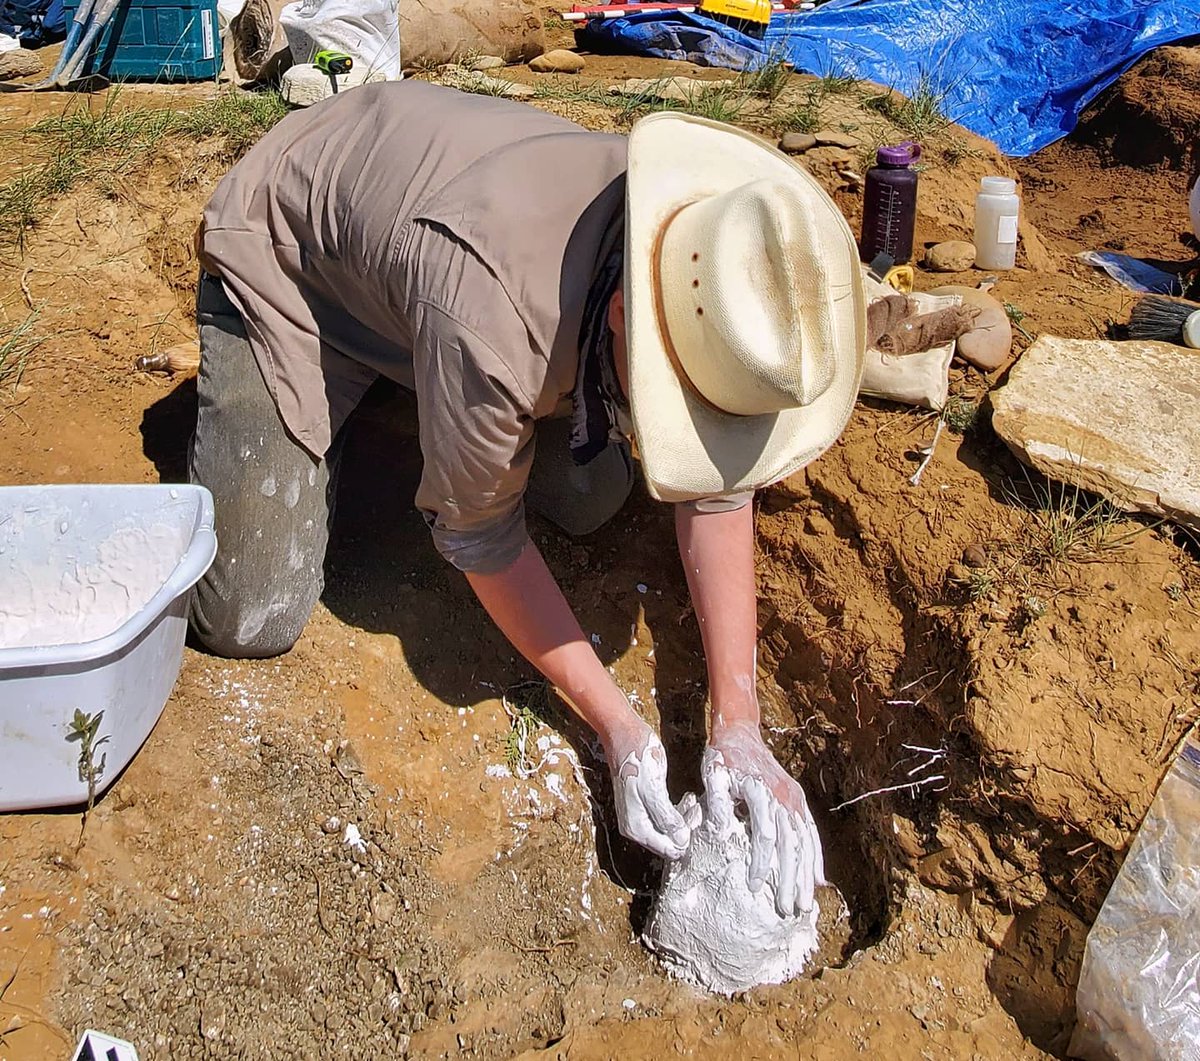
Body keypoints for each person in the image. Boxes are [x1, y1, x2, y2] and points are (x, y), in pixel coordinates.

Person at [190, 80, 866, 918]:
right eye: (672, 403)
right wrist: (619, 731)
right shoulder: (496, 321)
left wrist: (740, 722)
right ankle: (361, 394)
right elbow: (479, 536)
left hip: (431, 259)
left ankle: (428, 389)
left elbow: (718, 488)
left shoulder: (698, 243)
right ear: (622, 320)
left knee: (591, 494)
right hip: (291, 259)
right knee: (249, 613)